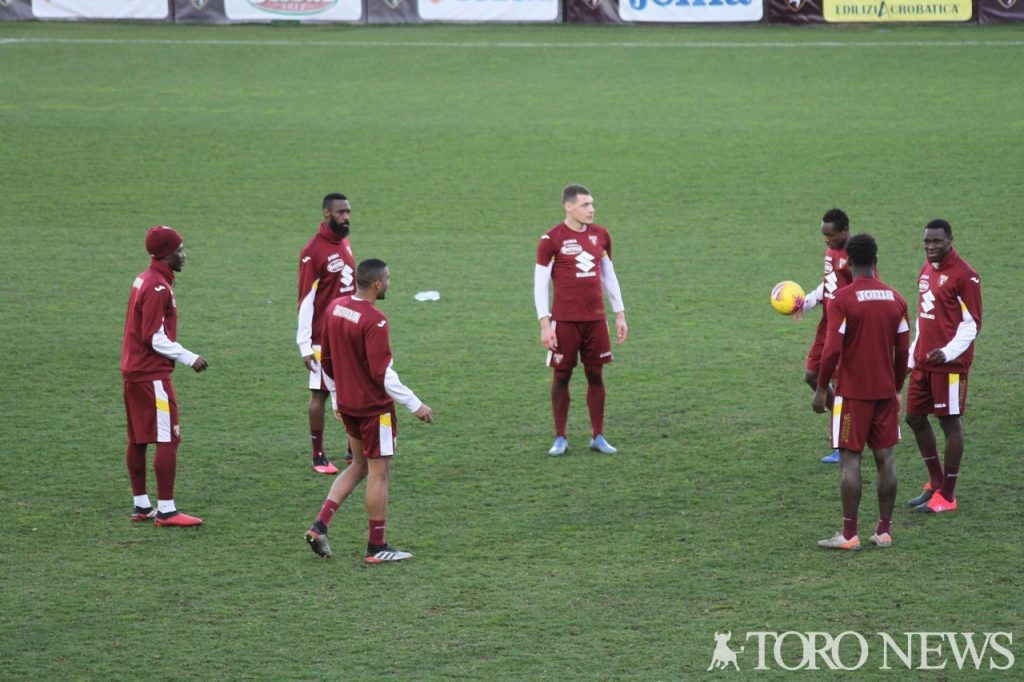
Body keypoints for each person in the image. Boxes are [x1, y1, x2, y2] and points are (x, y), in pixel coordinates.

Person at [304, 259, 434, 563]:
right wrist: (416, 404)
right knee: (379, 472)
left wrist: (336, 398)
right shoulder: (375, 320)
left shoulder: (335, 308)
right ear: (376, 284)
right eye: (387, 278)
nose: (389, 282)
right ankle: (377, 547)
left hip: (348, 405)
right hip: (374, 410)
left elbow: (327, 360)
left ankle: (319, 525)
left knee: (359, 465)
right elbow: (383, 373)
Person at [812, 233, 910, 550]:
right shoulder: (896, 299)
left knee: (850, 461)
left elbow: (830, 353)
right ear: (876, 261)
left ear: (849, 262)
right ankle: (884, 531)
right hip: (884, 392)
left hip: (852, 395)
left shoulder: (843, 300)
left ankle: (850, 534)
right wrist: (895, 388)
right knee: (886, 459)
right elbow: (904, 353)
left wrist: (820, 389)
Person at [121, 226, 209, 527]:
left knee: (137, 438)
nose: (184, 255)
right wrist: (190, 358)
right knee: (167, 437)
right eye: (180, 249)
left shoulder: (144, 279)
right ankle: (167, 510)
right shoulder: (158, 287)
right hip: (151, 374)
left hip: (133, 371)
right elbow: (154, 337)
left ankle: (141, 505)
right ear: (165, 254)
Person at [534, 184, 627, 457]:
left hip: (595, 321)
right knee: (561, 375)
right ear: (569, 207)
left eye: (592, 204)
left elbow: (609, 276)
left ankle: (598, 435)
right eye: (585, 205)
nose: (592, 209)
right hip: (564, 322)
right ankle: (560, 436)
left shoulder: (601, 236)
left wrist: (619, 313)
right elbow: (540, 285)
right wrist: (544, 324)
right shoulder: (551, 240)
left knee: (595, 374)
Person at [904, 219, 982, 514]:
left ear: (950, 239)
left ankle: (947, 496)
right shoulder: (926, 270)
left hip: (950, 366)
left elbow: (972, 324)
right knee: (913, 417)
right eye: (926, 242)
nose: (931, 247)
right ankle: (935, 482)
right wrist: (912, 357)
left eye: (936, 241)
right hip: (925, 361)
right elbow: (924, 320)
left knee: (949, 424)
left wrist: (947, 353)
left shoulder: (966, 276)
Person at [297, 193, 357, 475]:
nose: (346, 217)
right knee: (319, 394)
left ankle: (351, 449)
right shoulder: (313, 251)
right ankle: (318, 455)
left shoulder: (344, 242)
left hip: (349, 331)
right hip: (324, 337)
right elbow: (306, 299)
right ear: (325, 213)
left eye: (348, 212)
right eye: (340, 212)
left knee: (354, 388)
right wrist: (304, 345)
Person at [797, 208, 853, 464]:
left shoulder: (855, 256)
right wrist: (807, 302)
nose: (826, 240)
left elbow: (865, 288)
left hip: (846, 327)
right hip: (827, 323)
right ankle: (845, 420)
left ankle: (844, 442)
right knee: (811, 375)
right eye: (824, 235)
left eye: (830, 235)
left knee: (840, 385)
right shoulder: (831, 251)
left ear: (845, 231)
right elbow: (830, 284)